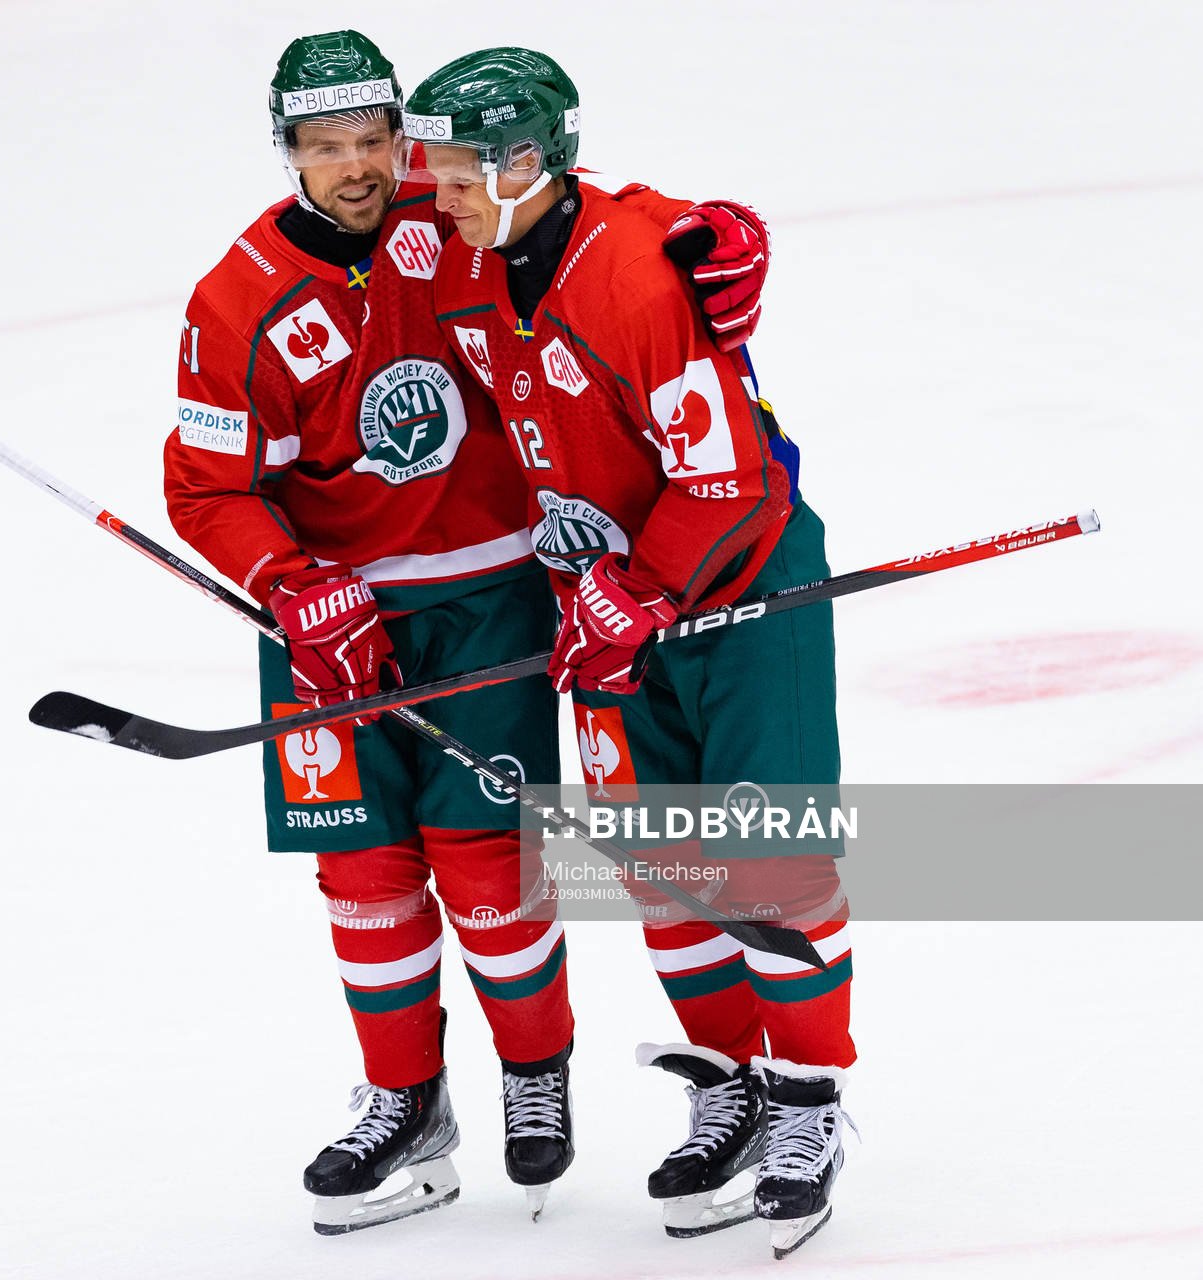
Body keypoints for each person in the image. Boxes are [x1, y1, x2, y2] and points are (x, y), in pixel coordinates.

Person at [162, 30, 771, 1235]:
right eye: (324, 146)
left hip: (487, 600)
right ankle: (406, 1103)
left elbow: (593, 220)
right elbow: (205, 486)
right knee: (364, 876)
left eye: (374, 140)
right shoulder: (234, 296)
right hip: (322, 623)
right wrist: (288, 583)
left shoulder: (455, 227)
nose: (356, 168)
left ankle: (535, 1078)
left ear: (408, 138)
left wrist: (712, 230)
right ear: (284, 150)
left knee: (490, 864)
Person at [410, 47, 856, 1260]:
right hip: (610, 601)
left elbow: (719, 477)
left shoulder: (636, 281)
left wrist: (642, 590)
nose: (428, 185)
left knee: (771, 858)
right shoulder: (472, 253)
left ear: (518, 163)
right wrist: (605, 597)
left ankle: (810, 1098)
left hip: (743, 589)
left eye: (449, 164)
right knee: (661, 868)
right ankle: (730, 1082)